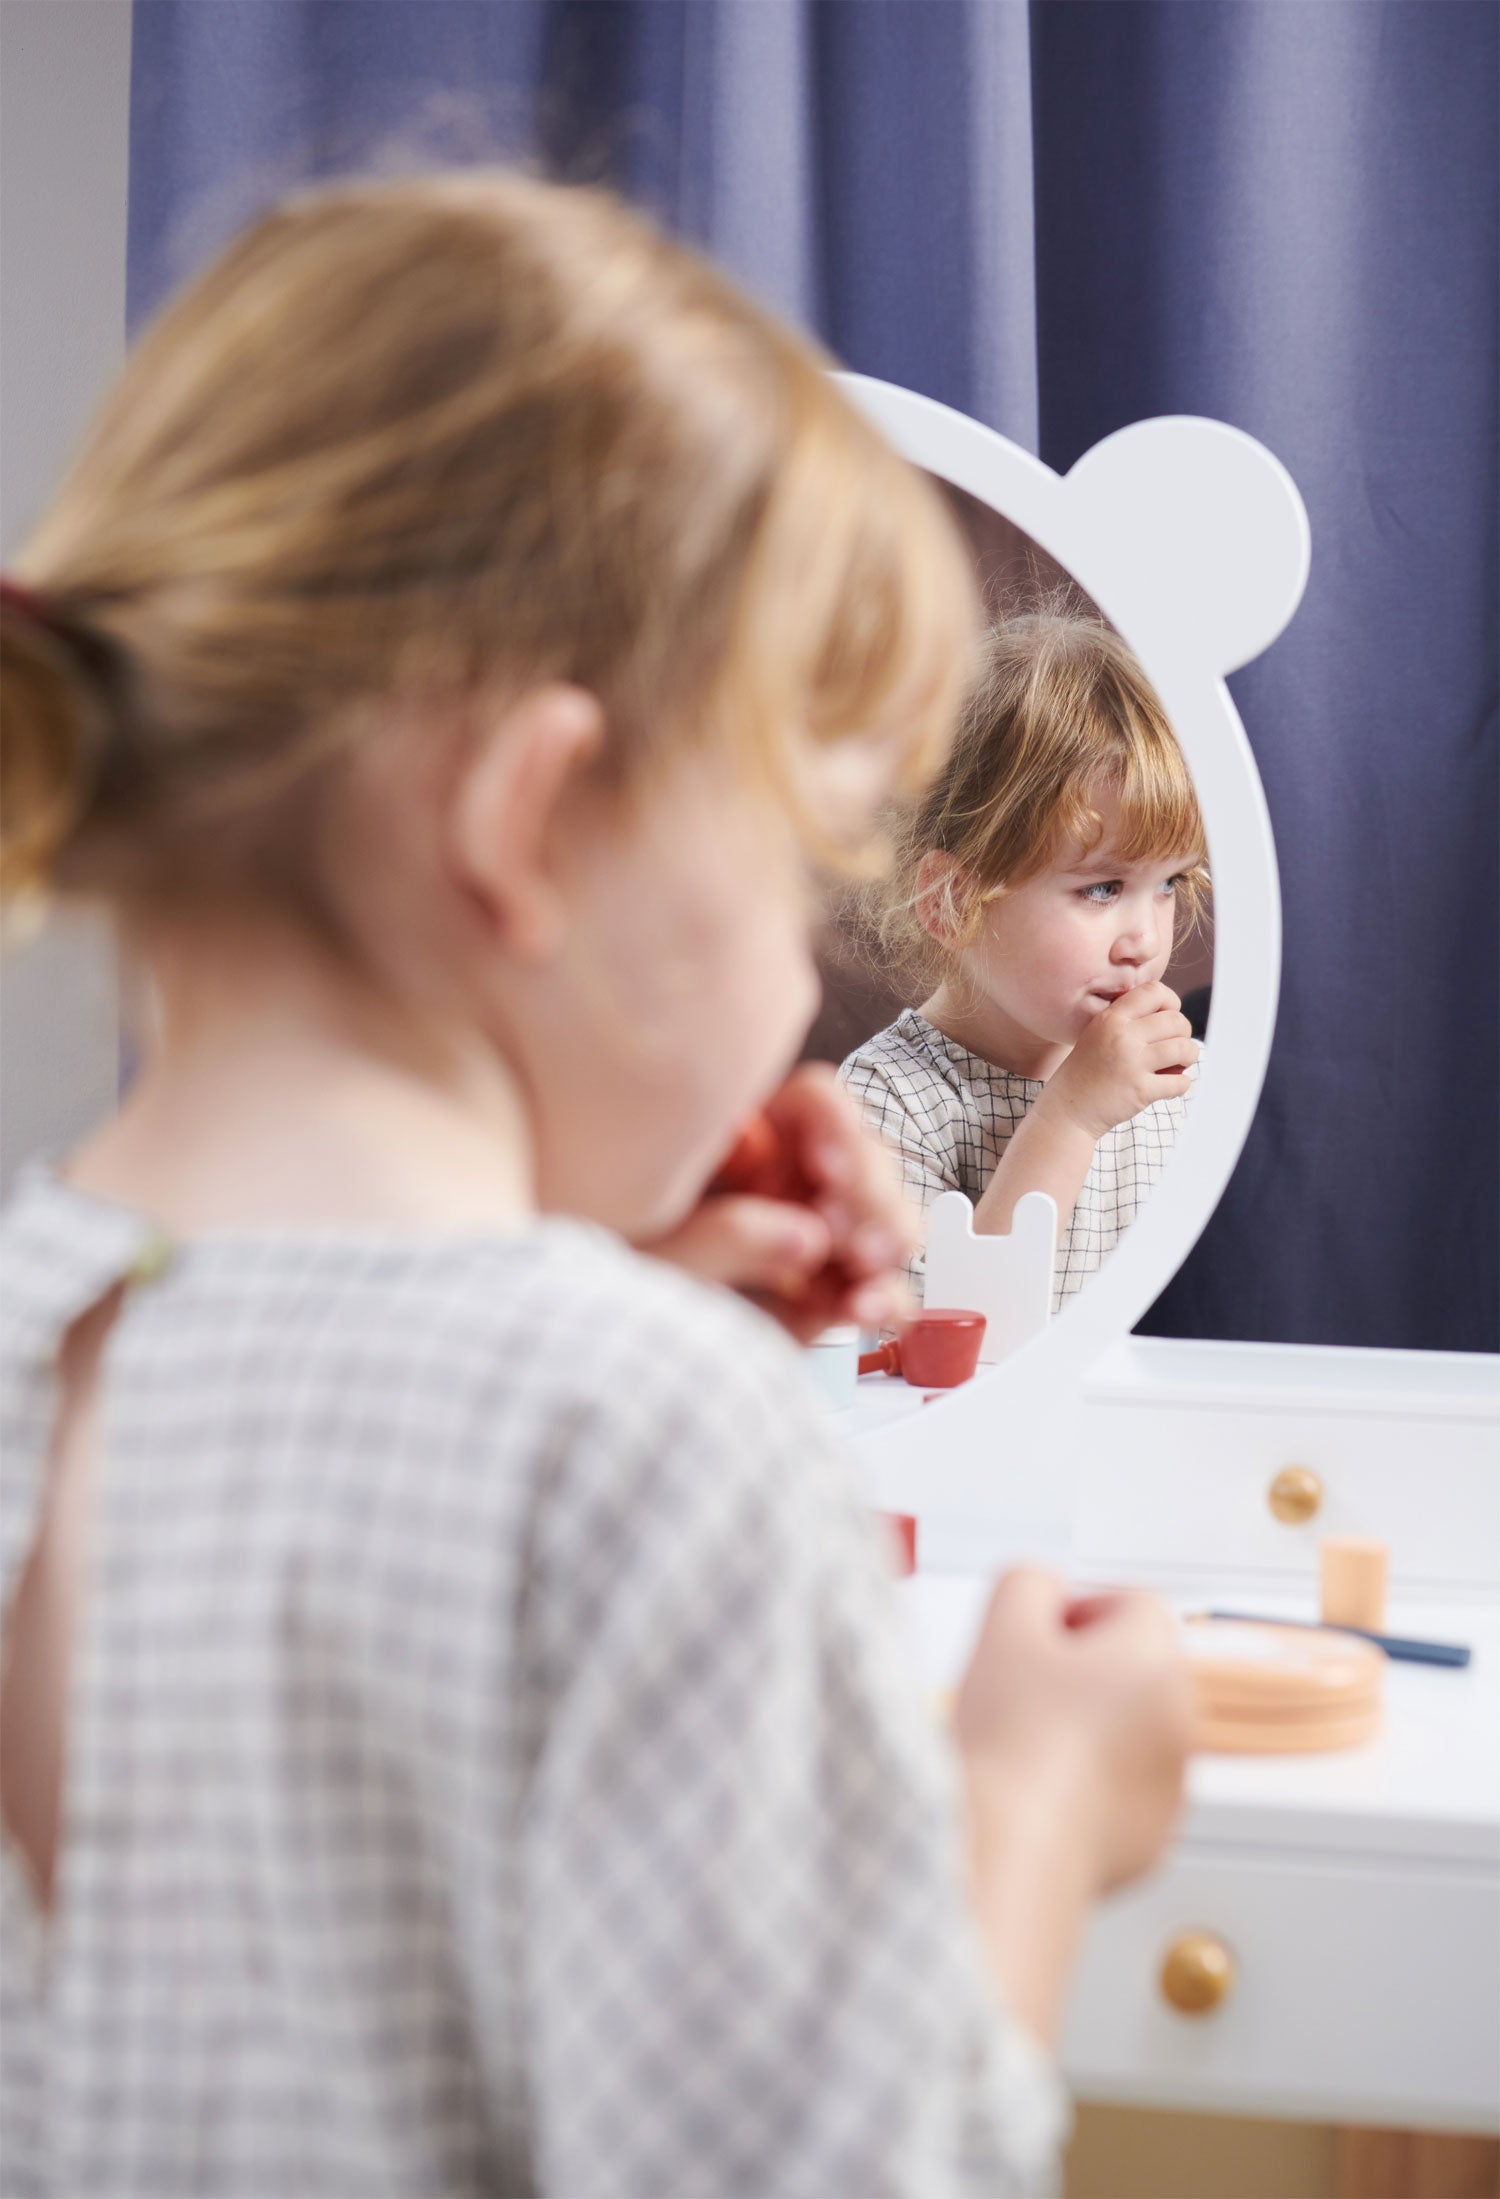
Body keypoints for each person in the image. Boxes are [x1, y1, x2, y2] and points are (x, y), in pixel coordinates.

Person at [0, 173, 1190, 2197]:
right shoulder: (646, 1438)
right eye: (797, 842)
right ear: (532, 818)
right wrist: (1033, 1809)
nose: (787, 963)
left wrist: (621, 1270)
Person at [841, 613, 1207, 1311]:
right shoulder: (889, 1101)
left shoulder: (1172, 1086)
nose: (1146, 940)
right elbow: (936, 1337)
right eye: (1102, 887)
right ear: (953, 901)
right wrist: (1069, 1116)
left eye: (1168, 884)